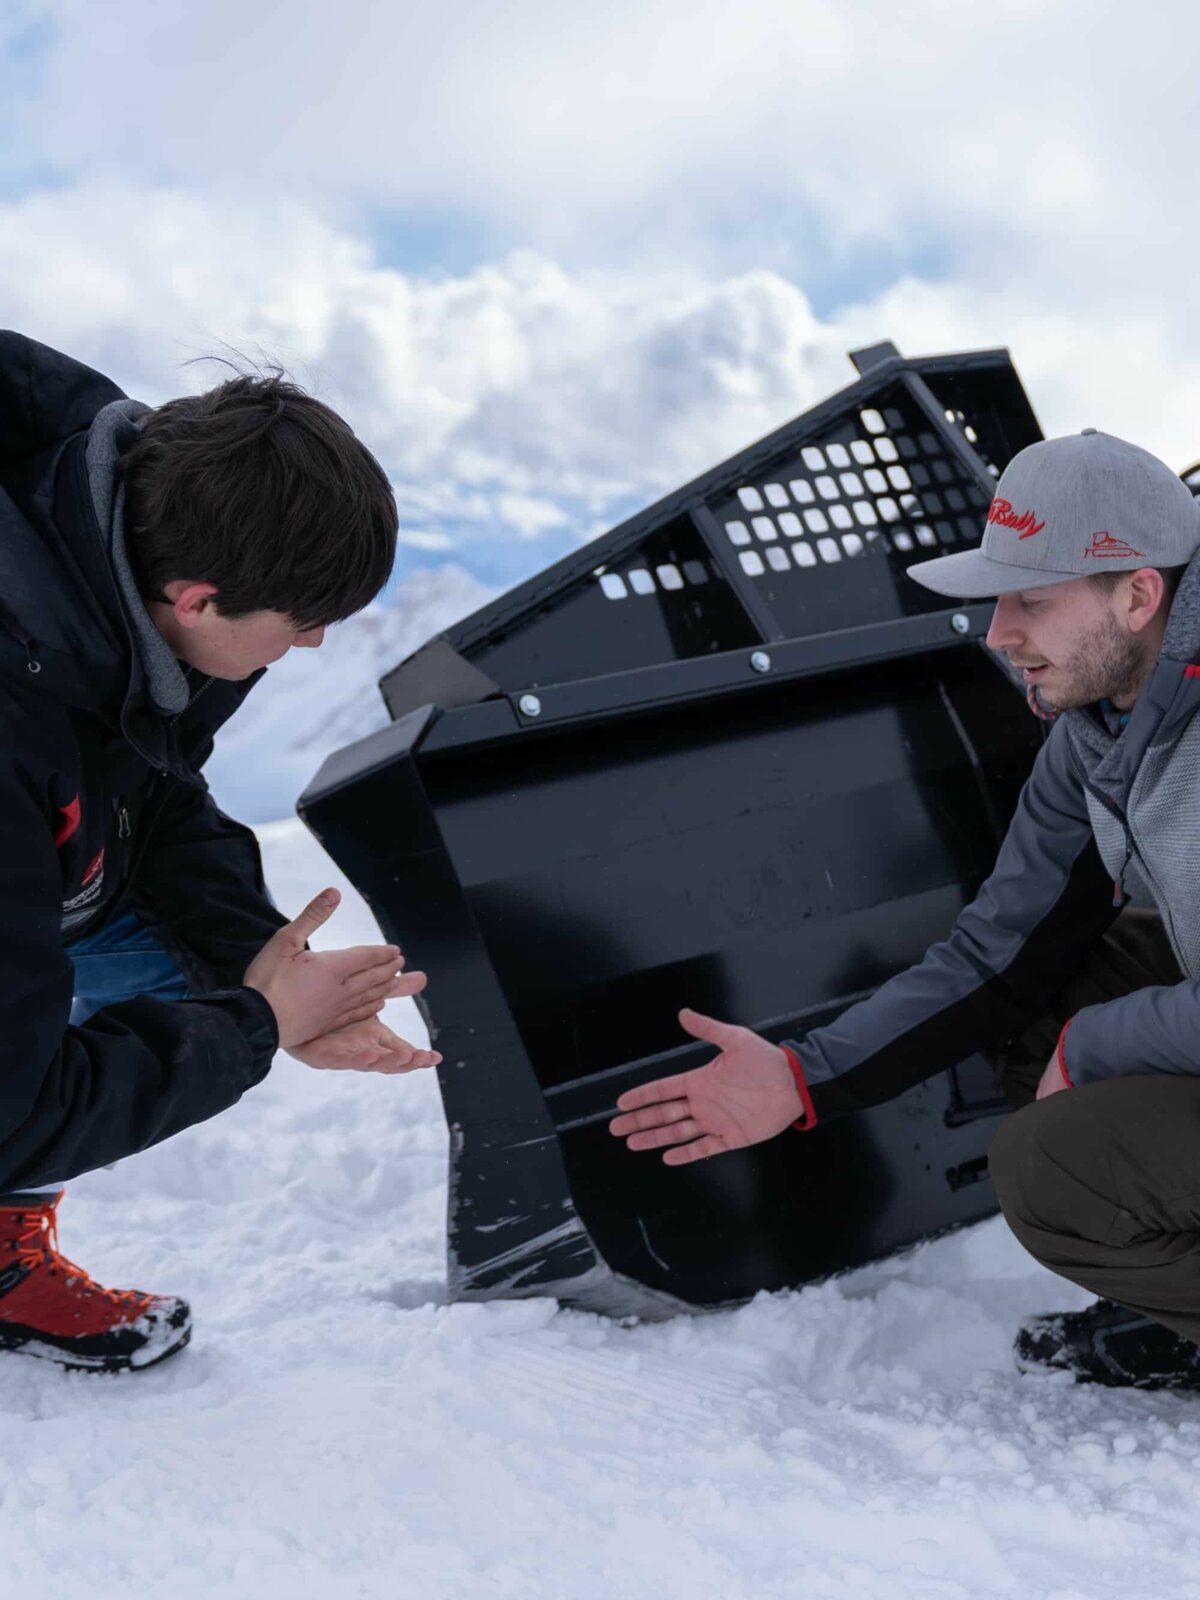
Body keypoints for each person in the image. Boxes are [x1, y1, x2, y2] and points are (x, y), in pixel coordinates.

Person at [611, 425, 1200, 1391]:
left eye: (1032, 601)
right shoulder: (1099, 728)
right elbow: (996, 955)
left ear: (1138, 596)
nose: (997, 631)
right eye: (997, 597)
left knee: (1055, 1169)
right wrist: (805, 1079)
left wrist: (1098, 1046)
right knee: (1048, 995)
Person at [0, 331, 440, 1374]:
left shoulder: (118, 531)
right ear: (198, 597)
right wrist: (257, 1024)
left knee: (166, 966)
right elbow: (14, 1111)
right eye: (304, 622)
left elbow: (141, 791)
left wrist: (256, 960)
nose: (316, 645)